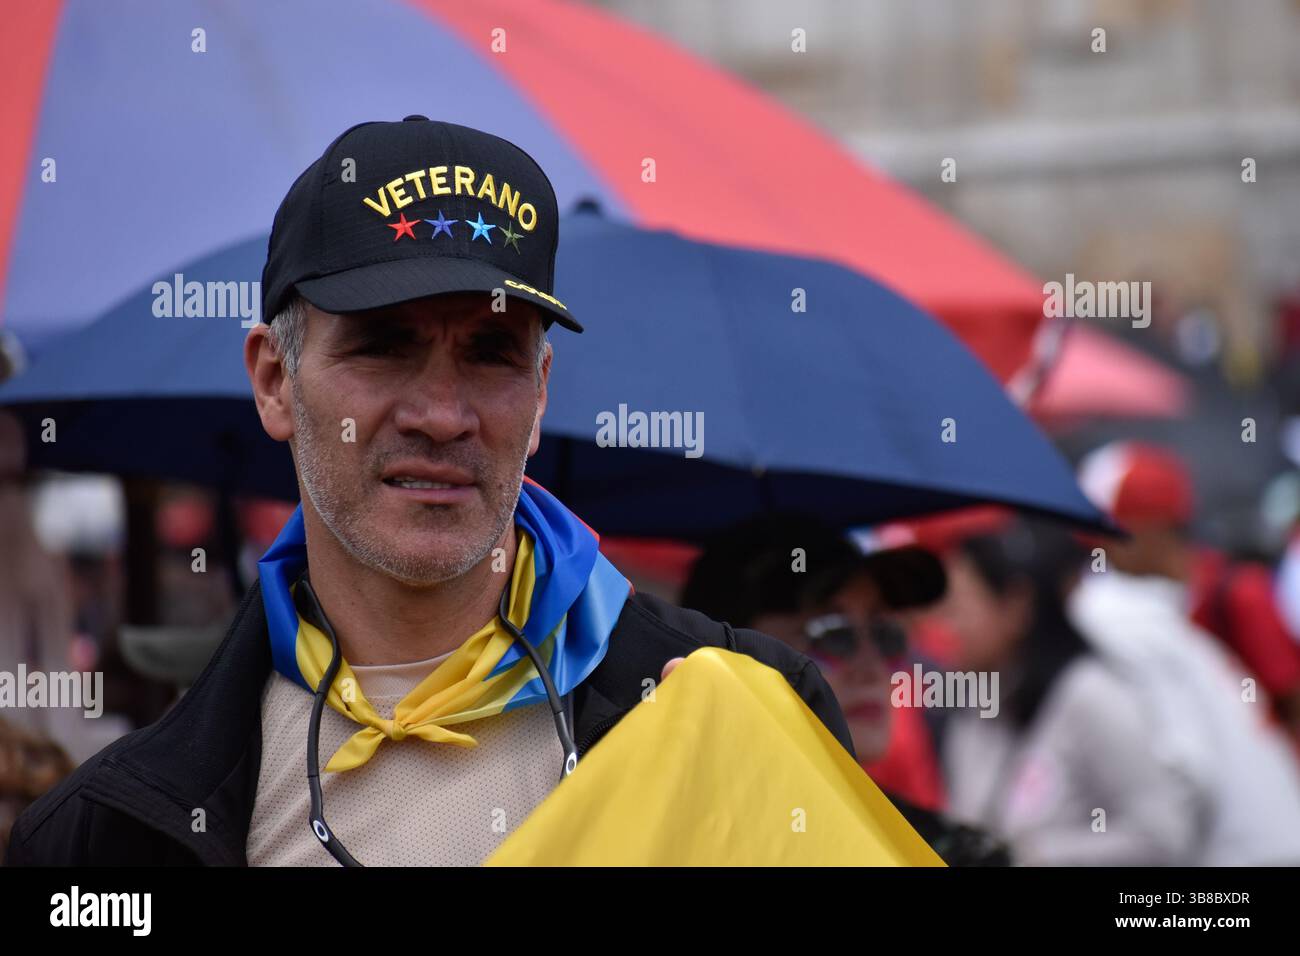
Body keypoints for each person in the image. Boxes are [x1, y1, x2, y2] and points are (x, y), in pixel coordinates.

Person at [5, 118, 853, 866]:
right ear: (274, 380)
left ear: (542, 386)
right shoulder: (109, 831)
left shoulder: (749, 709)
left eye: (491, 353)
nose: (443, 415)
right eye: (383, 347)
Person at [681, 513, 1009, 865]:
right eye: (833, 633)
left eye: (886, 633)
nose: (870, 667)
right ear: (723, 656)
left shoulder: (957, 854)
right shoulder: (657, 836)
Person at [1069, 441, 1300, 865]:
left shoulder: (1230, 593)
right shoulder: (1142, 608)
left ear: (1153, 530)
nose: (1101, 556)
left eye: (1109, 539)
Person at [934, 523, 1207, 865]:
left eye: (957, 608)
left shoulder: (1089, 695)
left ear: (1016, 606)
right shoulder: (975, 707)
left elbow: (1163, 834)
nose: (942, 625)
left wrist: (1029, 856)